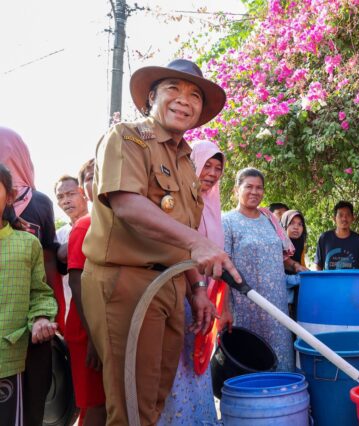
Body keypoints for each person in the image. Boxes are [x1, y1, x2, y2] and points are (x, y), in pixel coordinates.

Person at [81, 59, 241, 425]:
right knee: (131, 408)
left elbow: (178, 239)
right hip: (128, 283)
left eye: (194, 95)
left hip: (169, 285)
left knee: (154, 400)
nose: (184, 100)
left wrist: (196, 289)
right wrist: (197, 245)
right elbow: (127, 204)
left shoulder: (186, 160)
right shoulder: (128, 136)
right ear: (151, 96)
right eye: (174, 89)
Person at [159, 140, 231, 425]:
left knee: (197, 366)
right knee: (176, 368)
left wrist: (221, 305)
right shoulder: (178, 204)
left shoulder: (213, 206)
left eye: (218, 168)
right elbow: (177, 250)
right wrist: (196, 291)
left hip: (206, 301)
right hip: (179, 296)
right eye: (207, 165)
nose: (212, 173)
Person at [0, 126, 64, 426]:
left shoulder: (28, 235)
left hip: (20, 336)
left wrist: (43, 315)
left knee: (23, 408)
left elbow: (43, 281)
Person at [223, 168, 296, 371]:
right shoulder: (227, 222)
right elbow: (221, 269)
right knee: (251, 358)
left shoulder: (270, 220)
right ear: (236, 190)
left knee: (280, 356)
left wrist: (299, 268)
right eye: (249, 187)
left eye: (259, 188)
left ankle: (285, 399)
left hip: (276, 303)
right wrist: (225, 310)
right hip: (246, 304)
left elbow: (282, 257)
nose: (255, 192)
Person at [65, 159, 106, 426]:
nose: (97, 181)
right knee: (94, 406)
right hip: (87, 330)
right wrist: (94, 337)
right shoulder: (85, 226)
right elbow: (76, 282)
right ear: (83, 189)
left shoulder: (121, 222)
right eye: (89, 177)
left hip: (107, 328)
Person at [54, 174, 90, 319]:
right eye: (60, 197)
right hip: (70, 309)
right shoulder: (57, 235)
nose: (66, 201)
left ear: (84, 194)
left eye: (71, 194)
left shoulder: (100, 224)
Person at [315, 201, 359, 270]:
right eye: (340, 215)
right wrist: (319, 280)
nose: (344, 218)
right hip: (329, 281)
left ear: (353, 218)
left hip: (353, 280)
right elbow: (318, 265)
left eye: (348, 215)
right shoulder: (324, 238)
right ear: (334, 219)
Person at [280, 210, 309, 320]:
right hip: (281, 295)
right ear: (284, 226)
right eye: (291, 223)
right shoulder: (278, 244)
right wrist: (300, 279)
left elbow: (302, 265)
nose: (296, 227)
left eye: (300, 224)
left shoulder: (301, 245)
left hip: (295, 295)